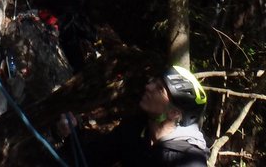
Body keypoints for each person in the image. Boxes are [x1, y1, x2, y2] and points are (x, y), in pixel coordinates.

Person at [66, 65, 209, 166]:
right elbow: (93, 158)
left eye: (159, 89)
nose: (148, 87)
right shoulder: (135, 128)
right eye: (153, 81)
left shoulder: (189, 160)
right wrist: (71, 134)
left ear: (174, 113)